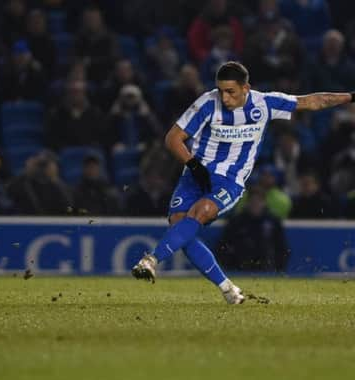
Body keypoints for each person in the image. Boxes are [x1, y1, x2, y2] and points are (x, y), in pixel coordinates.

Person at [131, 61, 355, 304]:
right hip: (195, 174)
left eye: (231, 92)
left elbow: (313, 101)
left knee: (199, 213)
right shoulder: (208, 103)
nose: (224, 98)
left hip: (230, 181)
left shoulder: (264, 104)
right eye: (221, 91)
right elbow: (173, 138)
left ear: (246, 88)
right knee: (179, 226)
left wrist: (351, 97)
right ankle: (228, 289)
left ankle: (151, 260)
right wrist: (194, 165)